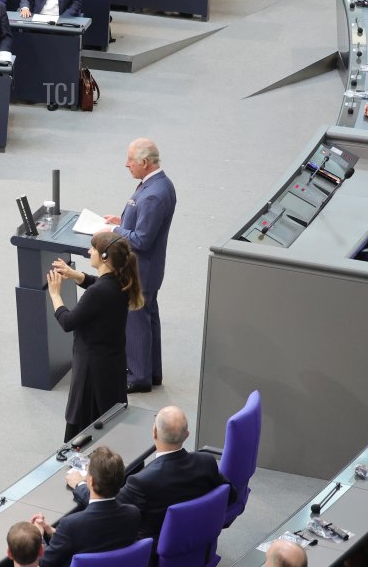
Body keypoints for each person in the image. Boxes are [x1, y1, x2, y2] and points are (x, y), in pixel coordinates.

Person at [67, 406, 230, 541]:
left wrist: (80, 484)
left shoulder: (142, 481)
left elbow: (108, 512)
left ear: (154, 433)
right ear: (187, 435)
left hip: (152, 554)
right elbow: (230, 495)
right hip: (196, 540)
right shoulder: (206, 462)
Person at [99, 137, 175, 393]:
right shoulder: (156, 185)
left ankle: (139, 377)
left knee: (137, 322)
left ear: (144, 162)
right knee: (148, 317)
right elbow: (143, 223)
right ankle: (152, 372)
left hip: (142, 270)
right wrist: (122, 220)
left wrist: (114, 229)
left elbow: (142, 240)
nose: (126, 164)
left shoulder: (154, 194)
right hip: (149, 268)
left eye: (130, 160)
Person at [47, 233, 141, 439]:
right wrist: (76, 275)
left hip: (91, 375)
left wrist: (55, 295)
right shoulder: (122, 281)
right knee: (111, 425)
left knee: (84, 432)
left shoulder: (98, 293)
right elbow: (99, 284)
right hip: (111, 368)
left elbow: (68, 322)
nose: (89, 251)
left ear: (105, 256)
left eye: (93, 249)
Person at [31, 447, 141, 567]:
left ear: (91, 481)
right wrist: (53, 532)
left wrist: (39, 536)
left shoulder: (70, 525)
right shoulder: (133, 514)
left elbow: (44, 564)